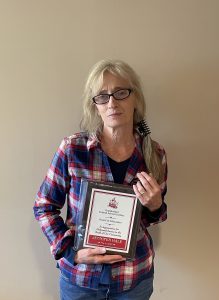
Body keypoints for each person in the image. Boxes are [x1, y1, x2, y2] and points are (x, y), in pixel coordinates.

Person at [33, 59, 168, 300]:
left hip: (134, 278)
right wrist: (70, 251)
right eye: (102, 96)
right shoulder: (73, 149)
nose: (112, 102)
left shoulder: (155, 154)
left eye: (121, 93)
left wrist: (156, 205)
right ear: (95, 105)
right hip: (80, 278)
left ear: (135, 98)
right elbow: (44, 206)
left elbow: (150, 219)